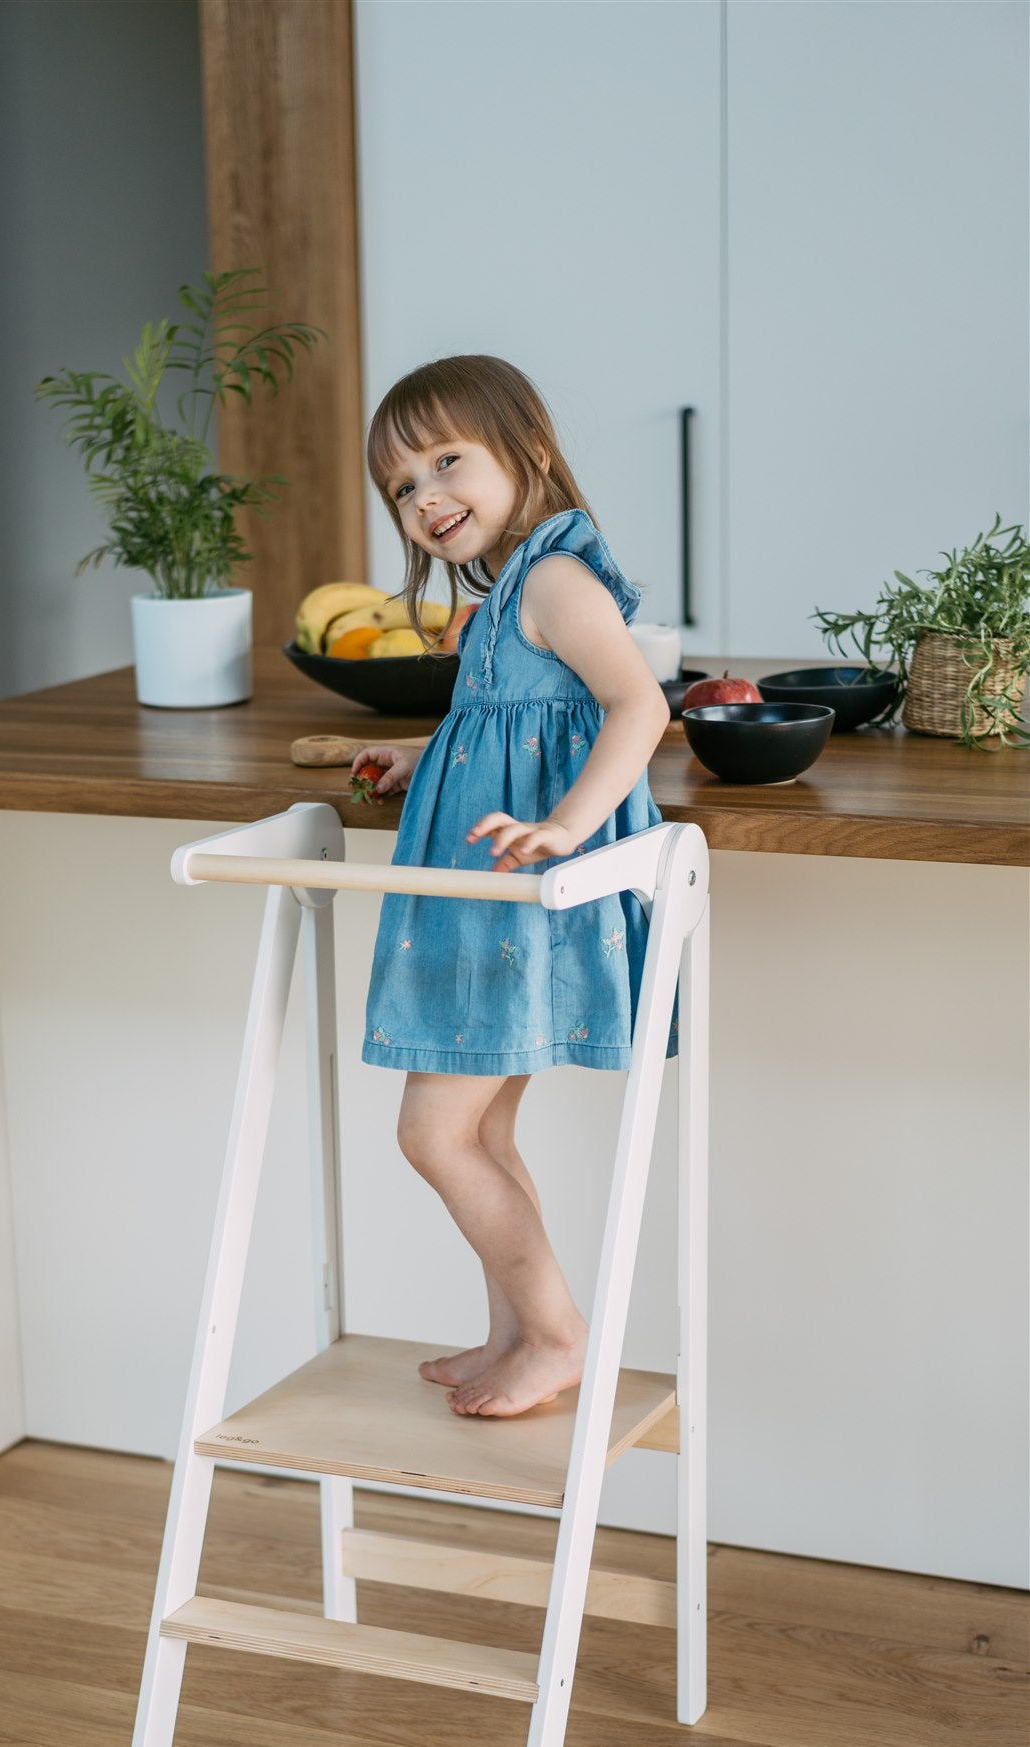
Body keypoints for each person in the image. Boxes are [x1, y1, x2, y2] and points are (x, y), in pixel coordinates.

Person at [352, 354, 674, 1420]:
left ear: (528, 453)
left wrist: (567, 827)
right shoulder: (505, 594)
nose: (426, 494)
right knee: (481, 1134)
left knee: (432, 1134)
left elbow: (638, 706)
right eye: (402, 483)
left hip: (517, 901)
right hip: (490, 905)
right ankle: (515, 1330)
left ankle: (555, 1332)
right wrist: (420, 757)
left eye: (448, 459)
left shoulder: (553, 579)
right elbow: (504, 727)